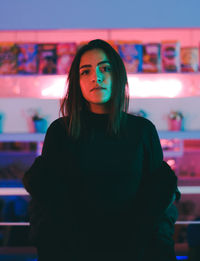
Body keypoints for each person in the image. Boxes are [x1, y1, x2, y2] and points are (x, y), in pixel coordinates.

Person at [23, 39, 180, 261]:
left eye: (105, 68)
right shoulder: (61, 132)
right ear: (77, 82)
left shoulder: (142, 131)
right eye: (85, 72)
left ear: (118, 76)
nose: (95, 77)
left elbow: (158, 207)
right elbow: (49, 210)